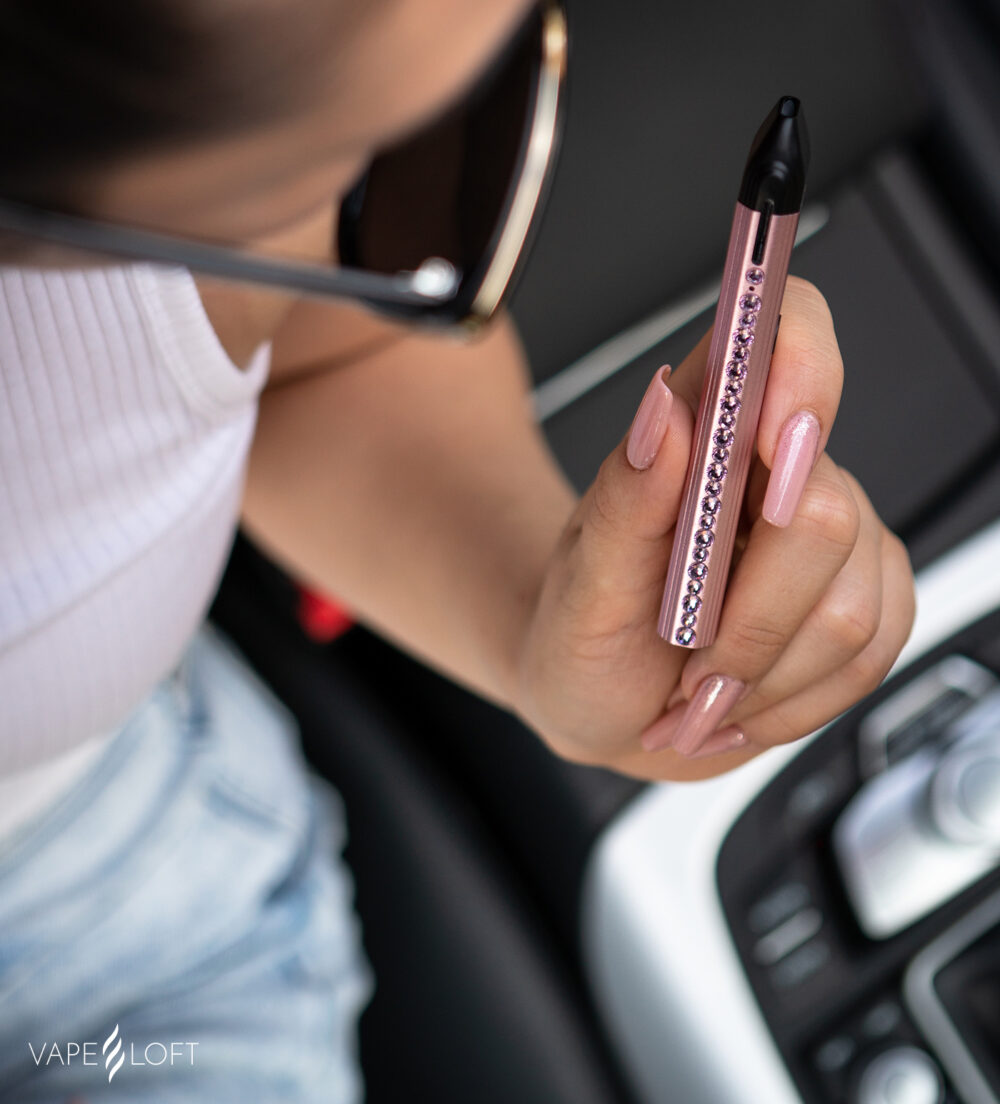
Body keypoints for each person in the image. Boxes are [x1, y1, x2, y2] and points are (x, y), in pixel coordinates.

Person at [0, 0, 915, 1099]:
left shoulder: (220, 201)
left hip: (124, 904)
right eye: (365, 156)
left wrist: (532, 615)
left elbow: (318, 348)